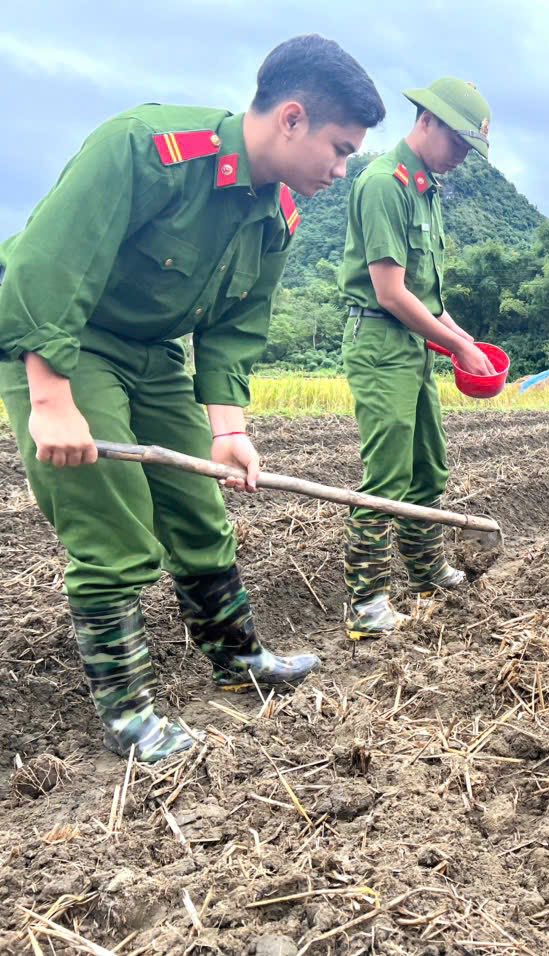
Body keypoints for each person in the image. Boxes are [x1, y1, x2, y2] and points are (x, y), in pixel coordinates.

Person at [0, 35, 385, 762]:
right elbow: (45, 263)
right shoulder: (146, 150)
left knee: (199, 507)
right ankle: (129, 713)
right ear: (292, 118)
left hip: (153, 358)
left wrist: (229, 428)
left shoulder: (278, 215)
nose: (340, 169)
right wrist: (49, 393)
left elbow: (238, 325)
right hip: (68, 343)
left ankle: (238, 662)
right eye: (338, 149)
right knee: (111, 522)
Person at [337, 78, 496, 642]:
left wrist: (463, 338)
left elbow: (427, 299)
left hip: (413, 343)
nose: (460, 159)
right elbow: (390, 293)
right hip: (381, 343)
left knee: (428, 464)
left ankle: (427, 572)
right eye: (458, 143)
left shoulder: (426, 189)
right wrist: (456, 345)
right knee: (386, 475)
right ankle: (366, 601)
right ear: (427, 121)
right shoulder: (386, 184)